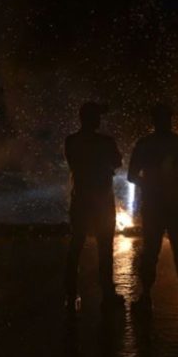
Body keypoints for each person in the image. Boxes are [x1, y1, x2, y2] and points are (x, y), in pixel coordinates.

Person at [128, 104, 178, 310]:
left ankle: (145, 295)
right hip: (175, 204)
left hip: (154, 205)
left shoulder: (145, 144)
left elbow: (132, 175)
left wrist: (150, 184)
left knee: (151, 250)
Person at [64, 102, 124, 310]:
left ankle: (70, 291)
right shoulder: (105, 142)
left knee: (76, 244)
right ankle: (107, 292)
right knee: (104, 246)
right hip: (102, 200)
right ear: (91, 118)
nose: (100, 120)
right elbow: (117, 162)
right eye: (97, 116)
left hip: (80, 198)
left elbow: (74, 163)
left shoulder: (71, 141)